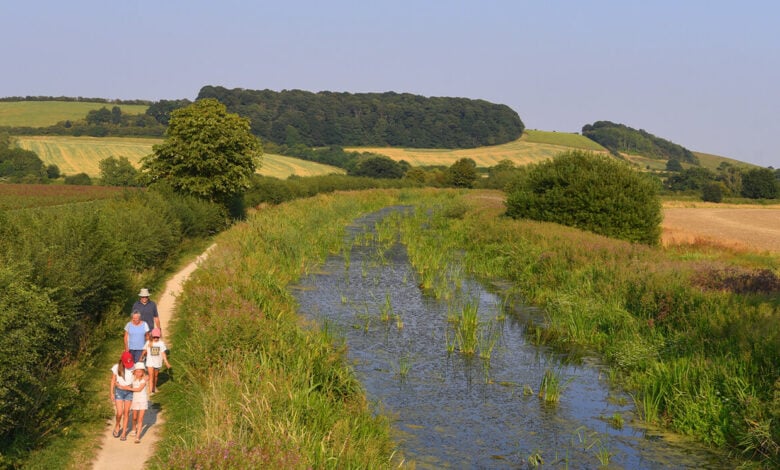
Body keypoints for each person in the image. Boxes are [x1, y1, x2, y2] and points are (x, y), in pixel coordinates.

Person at [110, 351, 135, 440]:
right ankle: (117, 425)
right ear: (122, 361)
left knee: (126, 412)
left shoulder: (134, 367)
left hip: (129, 392)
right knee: (119, 412)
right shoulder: (116, 368)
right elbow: (113, 380)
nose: (129, 365)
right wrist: (111, 393)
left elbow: (138, 378)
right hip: (119, 391)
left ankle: (124, 432)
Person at [126, 362, 149, 444]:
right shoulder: (132, 378)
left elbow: (139, 389)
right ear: (134, 371)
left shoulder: (144, 379)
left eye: (140, 371)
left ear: (143, 372)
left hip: (142, 400)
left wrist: (128, 388)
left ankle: (137, 437)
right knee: (134, 417)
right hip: (135, 400)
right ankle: (133, 428)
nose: (138, 373)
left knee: (140, 418)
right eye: (137, 371)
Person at [144, 328, 170, 395]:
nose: (156, 338)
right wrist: (142, 357)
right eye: (154, 337)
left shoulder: (161, 343)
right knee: (151, 375)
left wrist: (166, 362)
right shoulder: (148, 342)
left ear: (159, 336)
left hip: (158, 362)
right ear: (152, 336)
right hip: (150, 362)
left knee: (155, 376)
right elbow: (145, 350)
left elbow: (163, 353)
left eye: (157, 337)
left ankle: (154, 387)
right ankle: (151, 391)